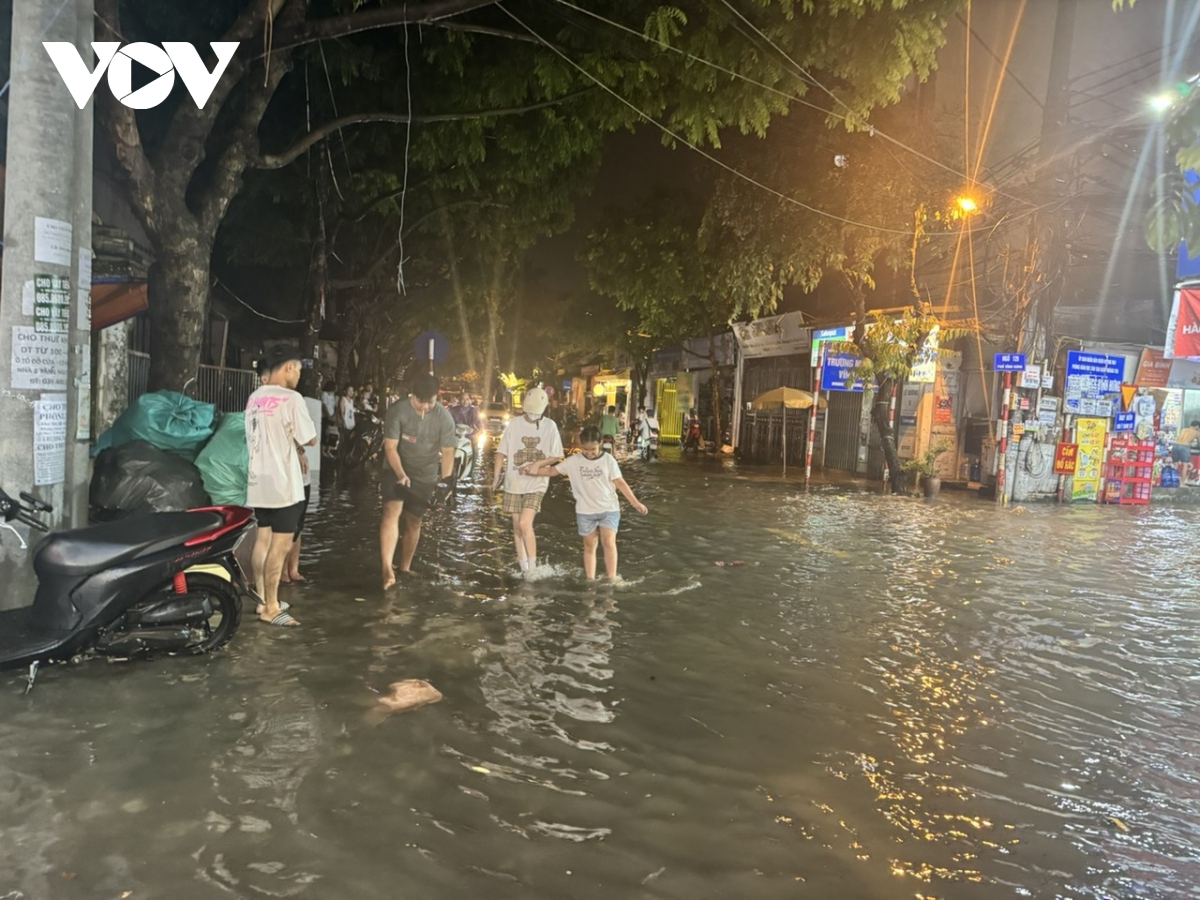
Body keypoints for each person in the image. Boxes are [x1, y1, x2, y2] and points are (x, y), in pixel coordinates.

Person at [245, 345, 317, 626]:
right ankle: (272, 608)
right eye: (298, 370)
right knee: (281, 544)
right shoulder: (291, 398)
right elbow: (309, 437)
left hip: (258, 482)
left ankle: (262, 600)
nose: (298, 376)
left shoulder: (254, 398)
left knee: (262, 540)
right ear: (288, 367)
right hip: (284, 484)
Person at [520, 425, 647, 580]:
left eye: (592, 449)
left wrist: (636, 503)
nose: (589, 453)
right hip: (585, 511)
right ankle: (590, 580)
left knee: (608, 542)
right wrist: (531, 470)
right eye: (585, 449)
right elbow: (552, 471)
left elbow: (620, 483)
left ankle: (612, 578)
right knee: (589, 545)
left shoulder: (608, 460)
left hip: (609, 508)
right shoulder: (573, 461)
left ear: (600, 444)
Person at [379, 372, 457, 588]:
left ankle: (404, 567)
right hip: (395, 469)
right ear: (411, 395)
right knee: (391, 512)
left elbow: (448, 452)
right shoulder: (397, 411)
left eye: (429, 402)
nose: (424, 406)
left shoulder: (444, 417)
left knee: (414, 521)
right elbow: (390, 447)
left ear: (436, 398)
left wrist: (445, 482)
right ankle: (387, 568)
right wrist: (401, 474)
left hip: (425, 474)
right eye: (420, 401)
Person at [492, 387, 563, 576]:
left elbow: (557, 455)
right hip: (513, 481)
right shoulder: (514, 424)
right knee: (516, 527)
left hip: (537, 481)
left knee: (524, 523)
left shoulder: (550, 426)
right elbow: (501, 452)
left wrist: (537, 464)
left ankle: (533, 569)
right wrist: (496, 476)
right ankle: (524, 569)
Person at [1172, 419, 1200, 484]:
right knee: (1185, 465)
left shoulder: (1183, 429)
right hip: (1184, 446)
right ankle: (1182, 483)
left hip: (1175, 445)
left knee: (1175, 464)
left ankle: (1173, 481)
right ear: (1197, 426)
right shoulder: (1196, 432)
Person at [320, 379, 338, 458]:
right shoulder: (324, 394)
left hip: (332, 415)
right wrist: (328, 415)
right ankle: (323, 450)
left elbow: (334, 406)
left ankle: (329, 450)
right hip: (325, 416)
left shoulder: (333, 395)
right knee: (325, 433)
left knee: (332, 434)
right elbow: (324, 405)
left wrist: (334, 415)